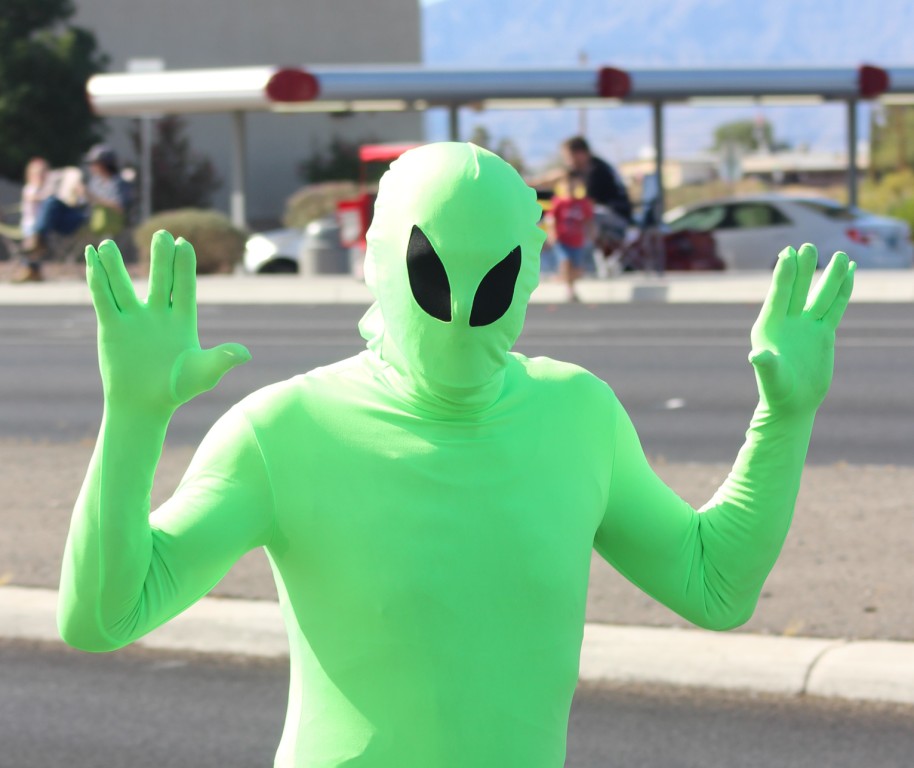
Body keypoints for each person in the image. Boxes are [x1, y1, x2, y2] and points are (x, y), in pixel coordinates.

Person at [58, 143, 855, 767]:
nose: (465, 308)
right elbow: (103, 617)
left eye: (496, 272)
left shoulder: (578, 415)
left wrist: (785, 419)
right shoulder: (283, 430)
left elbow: (715, 587)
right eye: (431, 270)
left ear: (533, 269)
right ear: (378, 261)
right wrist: (132, 417)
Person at [17, 145, 129, 282]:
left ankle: (38, 241)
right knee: (51, 201)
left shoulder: (117, 182)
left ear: (104, 164)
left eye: (93, 163)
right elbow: (81, 202)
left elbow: (119, 207)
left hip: (90, 220)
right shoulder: (95, 181)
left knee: (50, 204)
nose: (90, 167)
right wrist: (75, 195)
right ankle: (37, 243)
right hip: (77, 215)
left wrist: (90, 196)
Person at [561, 135, 633, 256]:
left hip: (619, 218)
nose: (568, 162)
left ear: (580, 153)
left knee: (584, 216)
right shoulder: (585, 168)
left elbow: (588, 204)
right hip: (605, 215)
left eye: (569, 157)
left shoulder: (597, 170)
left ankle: (583, 261)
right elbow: (559, 176)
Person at [547, 170, 595, 301]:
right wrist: (552, 233)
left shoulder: (583, 203)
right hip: (562, 239)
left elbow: (588, 220)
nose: (570, 186)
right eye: (567, 183)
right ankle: (569, 289)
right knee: (565, 261)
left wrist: (591, 234)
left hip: (577, 240)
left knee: (577, 268)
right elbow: (551, 219)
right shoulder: (558, 202)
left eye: (573, 183)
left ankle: (568, 283)